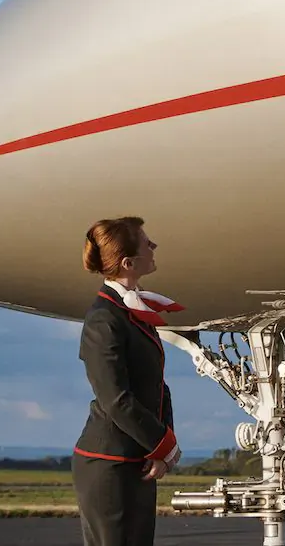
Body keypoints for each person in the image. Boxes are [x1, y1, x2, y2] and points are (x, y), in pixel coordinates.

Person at [73, 216, 185, 546]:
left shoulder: (130, 309)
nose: (154, 247)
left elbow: (156, 386)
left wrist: (162, 442)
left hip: (136, 460)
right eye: (146, 242)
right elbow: (115, 398)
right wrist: (164, 444)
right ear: (128, 262)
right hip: (109, 464)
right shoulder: (104, 319)